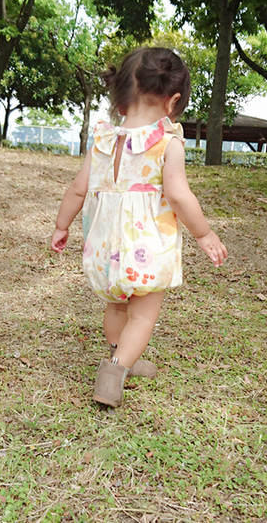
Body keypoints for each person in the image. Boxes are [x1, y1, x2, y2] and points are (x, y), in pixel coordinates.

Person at [51, 47, 228, 407]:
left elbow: (77, 188)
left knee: (116, 307)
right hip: (146, 246)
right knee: (143, 315)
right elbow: (178, 195)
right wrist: (204, 233)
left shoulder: (102, 139)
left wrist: (61, 226)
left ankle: (122, 357)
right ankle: (115, 370)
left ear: (120, 100)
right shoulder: (167, 143)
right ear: (172, 101)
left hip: (103, 248)